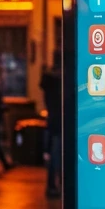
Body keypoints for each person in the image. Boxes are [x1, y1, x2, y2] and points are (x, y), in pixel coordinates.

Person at [40, 59, 62, 198]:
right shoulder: (58, 83)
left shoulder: (49, 83)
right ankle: (55, 185)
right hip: (59, 121)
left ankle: (52, 185)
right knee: (57, 154)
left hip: (53, 121)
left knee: (54, 154)